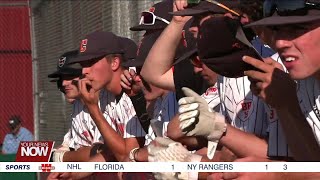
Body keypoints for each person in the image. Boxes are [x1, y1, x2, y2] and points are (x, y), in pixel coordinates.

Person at [47, 32, 146, 180]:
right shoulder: (105, 94)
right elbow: (108, 153)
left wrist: (93, 108)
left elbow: (126, 154)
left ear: (114, 62)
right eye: (83, 65)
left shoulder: (132, 91)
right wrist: (73, 175)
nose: (84, 70)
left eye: (90, 62)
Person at [243, 0, 320, 161]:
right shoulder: (304, 79)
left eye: (297, 28)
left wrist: (279, 174)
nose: (279, 42)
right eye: (277, 29)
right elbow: (310, 162)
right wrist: (286, 105)